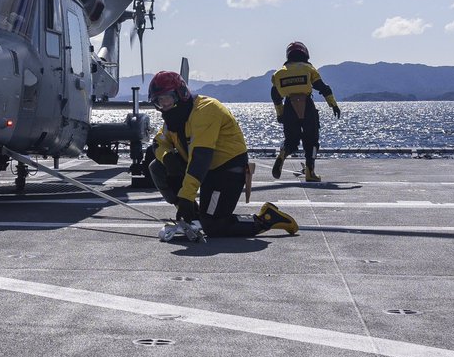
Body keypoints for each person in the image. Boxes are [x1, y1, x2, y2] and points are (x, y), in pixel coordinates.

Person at [146, 70, 298, 238]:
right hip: (206, 170)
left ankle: (266, 218)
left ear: (180, 94)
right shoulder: (174, 119)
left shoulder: (205, 110)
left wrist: (186, 197)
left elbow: (200, 159)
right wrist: (168, 158)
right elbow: (158, 142)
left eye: (167, 98)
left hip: (226, 170)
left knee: (214, 226)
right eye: (159, 101)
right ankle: (192, 216)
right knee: (157, 167)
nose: (164, 105)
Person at [270, 41, 341, 183]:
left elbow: (275, 95)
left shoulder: (278, 74)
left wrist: (280, 114)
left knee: (291, 140)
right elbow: (323, 88)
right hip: (307, 106)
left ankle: (283, 153)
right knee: (312, 141)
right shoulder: (308, 69)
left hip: (289, 106)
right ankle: (310, 172)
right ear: (305, 53)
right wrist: (333, 105)